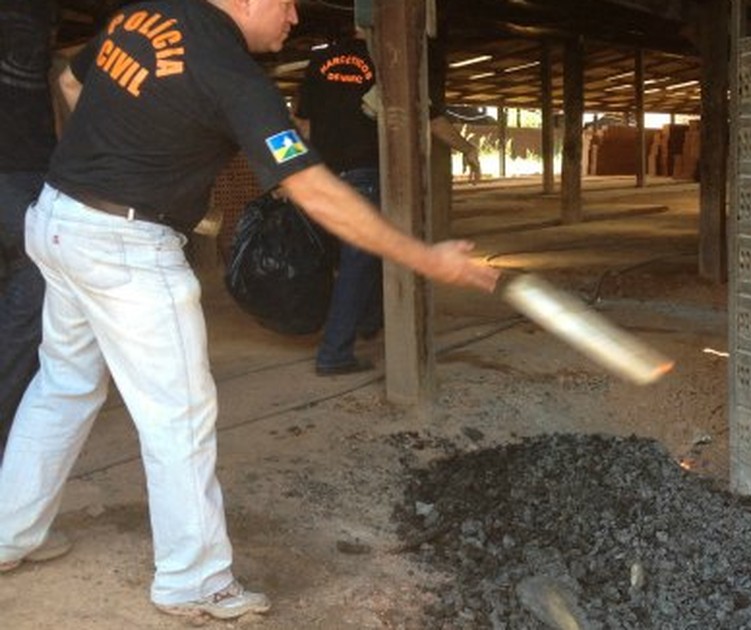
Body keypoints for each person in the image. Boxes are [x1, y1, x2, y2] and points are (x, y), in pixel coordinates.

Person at [0, 0, 498, 622]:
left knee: (63, 384)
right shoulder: (228, 70)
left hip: (58, 218)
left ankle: (9, 535)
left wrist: (121, 160)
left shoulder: (144, 16)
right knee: (177, 415)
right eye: (287, 3)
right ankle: (194, 581)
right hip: (125, 248)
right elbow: (312, 188)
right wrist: (420, 256)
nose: (293, 18)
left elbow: (72, 80)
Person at [295, 29, 482, 375]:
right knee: (360, 262)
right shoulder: (389, 62)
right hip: (366, 175)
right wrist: (467, 148)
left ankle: (368, 322)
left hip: (327, 175)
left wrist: (300, 172)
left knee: (353, 257)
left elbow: (303, 124)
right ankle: (334, 353)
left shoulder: (319, 60)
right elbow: (430, 117)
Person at [0, 0, 56, 457]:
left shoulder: (42, 14)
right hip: (20, 170)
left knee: (37, 285)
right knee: (36, 282)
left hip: (32, 167)